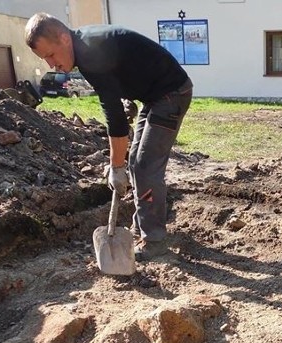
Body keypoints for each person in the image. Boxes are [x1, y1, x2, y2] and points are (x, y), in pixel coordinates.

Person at [25, 13, 193, 261]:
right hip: (155, 95)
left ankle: (154, 240)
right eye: (45, 59)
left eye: (50, 55)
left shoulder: (91, 54)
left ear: (63, 38)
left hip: (171, 95)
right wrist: (127, 96)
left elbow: (114, 122)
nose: (52, 65)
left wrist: (115, 166)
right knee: (136, 162)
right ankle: (144, 229)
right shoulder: (84, 46)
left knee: (146, 165)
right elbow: (125, 65)